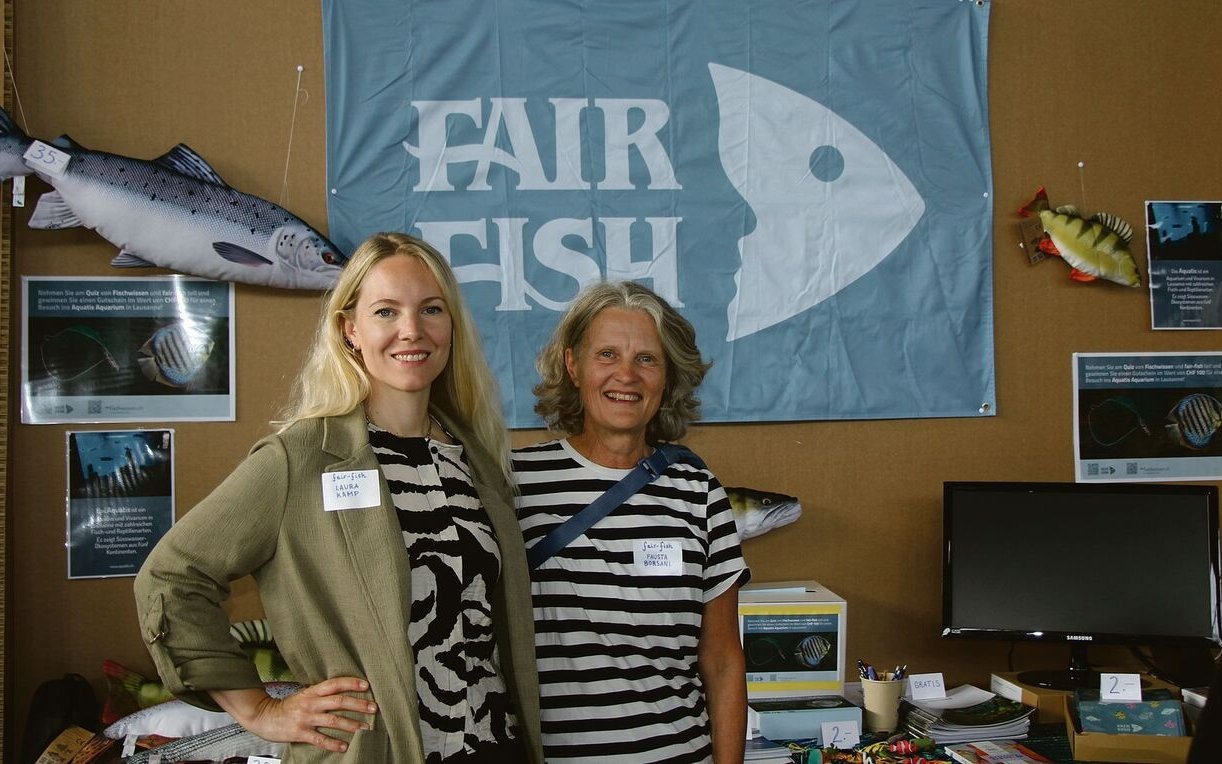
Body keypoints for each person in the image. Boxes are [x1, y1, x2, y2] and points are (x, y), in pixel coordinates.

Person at [134, 232, 543, 764]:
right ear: (350, 329)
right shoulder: (300, 458)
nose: (411, 330)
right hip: (373, 751)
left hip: (495, 748)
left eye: (431, 309)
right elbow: (171, 576)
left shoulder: (476, 460)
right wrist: (260, 710)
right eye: (385, 311)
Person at [513, 280, 750, 763]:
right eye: (606, 355)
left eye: (646, 359)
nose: (626, 375)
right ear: (573, 366)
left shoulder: (698, 490)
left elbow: (722, 661)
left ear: (667, 379)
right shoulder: (516, 483)